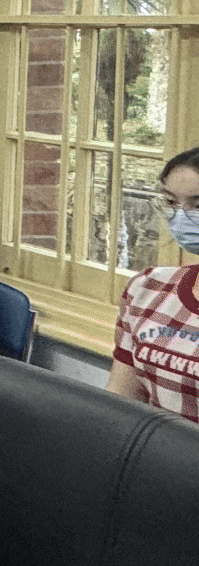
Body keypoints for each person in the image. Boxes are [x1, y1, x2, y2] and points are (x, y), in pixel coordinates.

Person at [107, 145, 199, 421]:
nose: (181, 217)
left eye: (198, 205)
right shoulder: (146, 289)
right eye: (171, 202)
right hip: (152, 447)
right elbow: (121, 402)